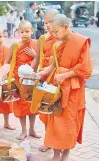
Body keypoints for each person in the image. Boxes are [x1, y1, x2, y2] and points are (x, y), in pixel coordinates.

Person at [36, 14, 93, 161]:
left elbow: (86, 69)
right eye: (52, 32)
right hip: (57, 87)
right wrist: (41, 73)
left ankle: (66, 154)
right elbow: (52, 66)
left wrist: (66, 75)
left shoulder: (81, 42)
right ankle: (55, 155)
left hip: (73, 89)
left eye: (56, 32)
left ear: (66, 27)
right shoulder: (57, 44)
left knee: (69, 122)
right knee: (54, 120)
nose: (53, 35)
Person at [5, 20, 40, 140]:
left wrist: (34, 54)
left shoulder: (35, 44)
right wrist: (6, 75)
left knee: (32, 104)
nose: (25, 34)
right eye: (22, 32)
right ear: (18, 32)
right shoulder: (15, 46)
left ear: (32, 31)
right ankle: (24, 130)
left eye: (27, 31)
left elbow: (41, 60)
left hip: (31, 79)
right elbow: (7, 61)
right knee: (21, 106)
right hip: (19, 80)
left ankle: (32, 129)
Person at [31, 8, 59, 152]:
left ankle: (57, 143)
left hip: (56, 78)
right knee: (45, 112)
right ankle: (48, 140)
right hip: (43, 78)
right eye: (45, 22)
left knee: (56, 113)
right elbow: (37, 57)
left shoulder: (61, 39)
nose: (47, 25)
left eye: (51, 22)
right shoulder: (42, 39)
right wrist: (30, 72)